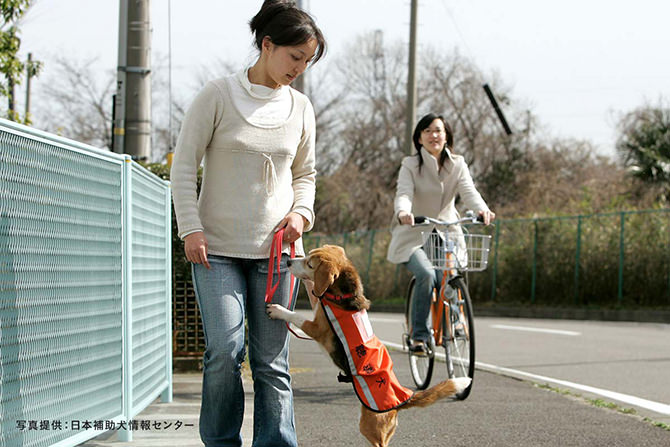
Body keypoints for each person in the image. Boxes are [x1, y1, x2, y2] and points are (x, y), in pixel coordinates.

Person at [170, 1, 326, 445]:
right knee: (224, 351)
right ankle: (221, 441)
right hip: (215, 250)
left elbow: (305, 175)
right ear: (267, 43)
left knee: (272, 362)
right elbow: (184, 167)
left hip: (277, 255)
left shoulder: (300, 108)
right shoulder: (217, 95)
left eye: (307, 61)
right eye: (295, 56)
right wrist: (190, 227)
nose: (300, 67)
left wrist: (301, 213)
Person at [386, 113, 495, 353]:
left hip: (446, 231)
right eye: (427, 131)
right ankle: (419, 335)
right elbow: (403, 193)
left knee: (449, 273)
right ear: (419, 138)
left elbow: (469, 191)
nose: (433, 135)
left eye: (438, 130)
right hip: (413, 232)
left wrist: (482, 210)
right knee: (426, 274)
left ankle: (456, 321)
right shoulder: (410, 165)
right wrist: (403, 212)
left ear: (446, 136)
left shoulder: (457, 164)